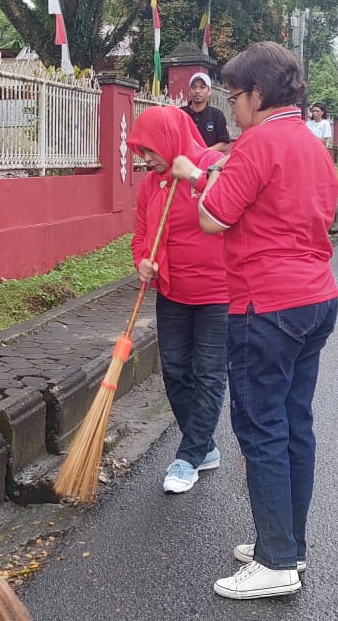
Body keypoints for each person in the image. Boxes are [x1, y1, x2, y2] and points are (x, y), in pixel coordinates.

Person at [169, 41, 338, 600]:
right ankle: (288, 544)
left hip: (264, 304)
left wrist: (199, 178)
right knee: (294, 424)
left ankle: (275, 563)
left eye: (235, 95)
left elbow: (213, 218)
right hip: (315, 298)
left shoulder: (258, 142)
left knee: (262, 428)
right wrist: (211, 176)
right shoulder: (311, 144)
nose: (231, 105)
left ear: (258, 95)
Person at [127, 107, 229, 494]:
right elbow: (141, 233)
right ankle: (204, 447)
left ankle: (188, 456)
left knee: (209, 374)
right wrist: (143, 260)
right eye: (140, 152)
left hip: (217, 293)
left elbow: (230, 209)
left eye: (149, 150)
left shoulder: (213, 164)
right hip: (172, 291)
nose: (145, 159)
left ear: (168, 140)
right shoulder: (151, 185)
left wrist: (196, 177)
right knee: (174, 371)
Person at [180, 72, 232, 152]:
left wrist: (205, 152)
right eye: (194, 87)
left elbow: (225, 144)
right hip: (184, 158)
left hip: (209, 158)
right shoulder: (180, 113)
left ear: (209, 91)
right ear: (190, 91)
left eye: (202, 87)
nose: (197, 91)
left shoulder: (217, 115)